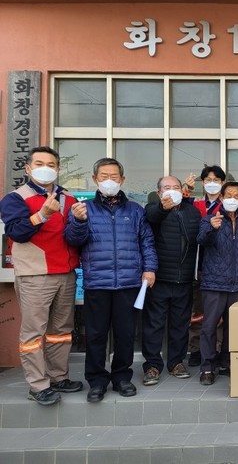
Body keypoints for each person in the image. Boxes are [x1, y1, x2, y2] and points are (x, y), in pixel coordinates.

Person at [64, 158, 157, 403]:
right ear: (95, 179)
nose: (109, 181)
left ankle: (121, 377)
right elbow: (73, 240)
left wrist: (150, 268)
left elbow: (146, 241)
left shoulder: (135, 210)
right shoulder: (84, 209)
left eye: (114, 176)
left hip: (128, 282)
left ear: (122, 180)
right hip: (98, 283)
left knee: (126, 334)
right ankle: (96, 380)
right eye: (104, 176)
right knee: (96, 335)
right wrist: (78, 221)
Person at [0, 146, 83, 406]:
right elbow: (17, 233)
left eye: (51, 163)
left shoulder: (68, 198)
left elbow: (74, 236)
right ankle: (37, 385)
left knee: (61, 331)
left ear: (58, 169)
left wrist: (80, 222)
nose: (45, 167)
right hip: (35, 274)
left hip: (66, 274)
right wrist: (42, 215)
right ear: (28, 168)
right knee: (33, 332)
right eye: (39, 163)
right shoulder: (15, 198)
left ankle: (58, 377)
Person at [141, 176, 201, 386]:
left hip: (184, 280)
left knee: (180, 325)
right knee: (154, 325)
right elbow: (152, 216)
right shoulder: (152, 210)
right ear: (159, 193)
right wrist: (163, 207)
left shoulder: (191, 211)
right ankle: (152, 365)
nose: (172, 190)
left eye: (176, 187)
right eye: (167, 188)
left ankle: (176, 362)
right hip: (159, 279)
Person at [197, 181, 238, 385]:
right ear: (221, 197)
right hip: (214, 282)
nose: (232, 198)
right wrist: (211, 228)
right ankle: (207, 367)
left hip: (236, 284)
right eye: (228, 194)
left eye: (236, 196)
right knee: (209, 326)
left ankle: (226, 362)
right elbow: (201, 240)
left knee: (232, 327)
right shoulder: (210, 219)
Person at [185, 165, 226, 368]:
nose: (212, 183)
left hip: (218, 267)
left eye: (216, 180)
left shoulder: (228, 206)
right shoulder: (195, 204)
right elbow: (177, 211)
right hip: (197, 264)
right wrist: (186, 191)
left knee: (217, 312)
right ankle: (195, 349)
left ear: (222, 183)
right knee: (197, 310)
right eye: (208, 179)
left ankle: (216, 349)